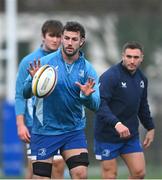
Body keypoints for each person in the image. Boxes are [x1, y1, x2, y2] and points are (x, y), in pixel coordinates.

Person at [23, 21, 100, 179]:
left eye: (74, 39)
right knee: (41, 178)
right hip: (45, 131)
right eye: (66, 38)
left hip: (73, 131)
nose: (69, 43)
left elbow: (96, 104)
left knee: (80, 173)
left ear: (81, 41)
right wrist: (34, 81)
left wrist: (86, 96)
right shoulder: (45, 63)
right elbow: (25, 93)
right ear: (62, 39)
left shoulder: (87, 69)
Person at [94, 41, 155, 179]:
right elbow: (100, 104)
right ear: (123, 56)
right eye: (129, 56)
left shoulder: (142, 79)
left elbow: (142, 105)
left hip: (130, 135)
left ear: (141, 58)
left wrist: (150, 127)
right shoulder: (110, 76)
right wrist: (117, 123)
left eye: (135, 57)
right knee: (110, 175)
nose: (132, 60)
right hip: (107, 135)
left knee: (139, 173)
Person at [15, 19, 65, 179]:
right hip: (34, 124)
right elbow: (19, 95)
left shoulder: (66, 60)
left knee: (58, 165)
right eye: (52, 36)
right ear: (43, 36)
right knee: (35, 172)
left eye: (59, 36)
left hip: (60, 124)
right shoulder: (29, 61)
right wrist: (21, 124)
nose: (55, 40)